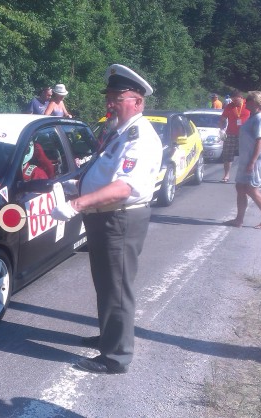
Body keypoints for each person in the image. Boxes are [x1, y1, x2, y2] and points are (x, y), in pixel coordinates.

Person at [50, 64, 162, 374]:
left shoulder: (140, 137)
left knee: (116, 287)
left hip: (120, 219)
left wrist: (76, 204)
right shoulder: (119, 132)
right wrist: (76, 184)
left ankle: (116, 357)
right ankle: (110, 337)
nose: (110, 103)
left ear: (137, 101)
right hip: (105, 218)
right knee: (106, 283)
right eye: (109, 97)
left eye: (118, 97)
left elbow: (125, 186)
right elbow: (104, 173)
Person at [222, 91, 261, 229]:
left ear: (256, 103)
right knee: (240, 187)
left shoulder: (260, 118)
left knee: (252, 189)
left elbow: (260, 141)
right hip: (247, 158)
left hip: (256, 158)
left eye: (249, 99)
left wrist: (252, 162)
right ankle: (239, 219)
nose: (246, 101)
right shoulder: (253, 117)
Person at [218, 90, 250, 182]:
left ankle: (245, 176)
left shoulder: (248, 105)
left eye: (236, 100)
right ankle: (226, 175)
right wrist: (221, 128)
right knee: (227, 155)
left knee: (246, 156)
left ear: (241, 98)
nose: (234, 102)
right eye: (233, 100)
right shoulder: (229, 106)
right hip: (231, 134)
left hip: (245, 135)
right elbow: (223, 119)